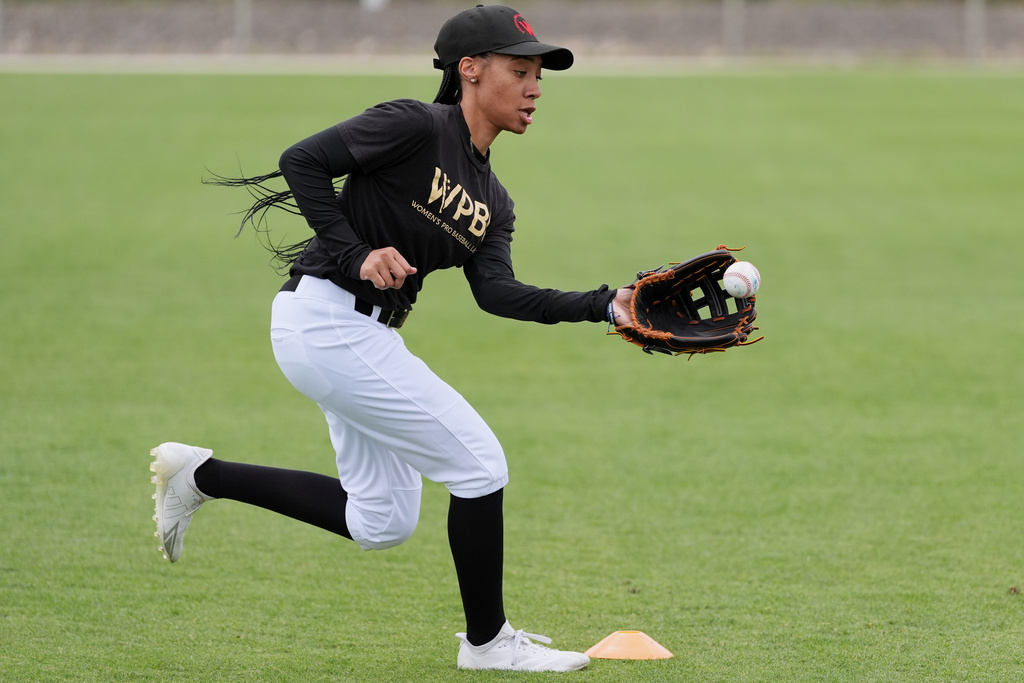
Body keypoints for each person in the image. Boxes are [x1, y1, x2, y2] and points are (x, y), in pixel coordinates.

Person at [150, 4, 632, 673]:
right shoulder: (414, 125)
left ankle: (200, 475)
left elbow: (496, 293)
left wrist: (604, 305)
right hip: (324, 321)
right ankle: (487, 642)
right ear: (470, 70)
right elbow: (304, 161)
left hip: (357, 337)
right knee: (480, 463)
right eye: (520, 70)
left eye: (539, 76)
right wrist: (356, 252)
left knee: (381, 522)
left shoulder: (495, 199)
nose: (535, 88)